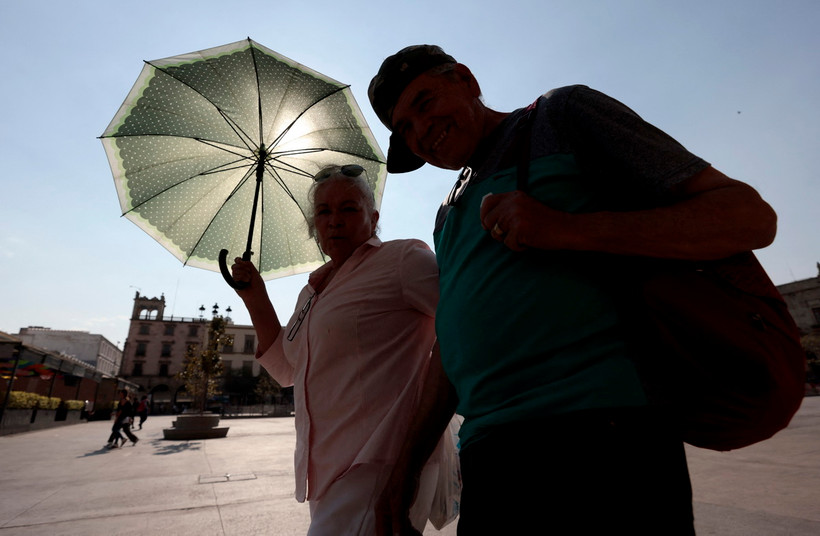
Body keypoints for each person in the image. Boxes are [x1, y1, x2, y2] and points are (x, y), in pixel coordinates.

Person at [368, 45, 778, 535]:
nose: (421, 130)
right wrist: (408, 464)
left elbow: (748, 216)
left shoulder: (561, 117)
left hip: (605, 439)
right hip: (490, 459)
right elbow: (450, 344)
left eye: (425, 102)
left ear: (466, 79)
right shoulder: (447, 214)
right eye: (405, 128)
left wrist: (565, 228)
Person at [230, 164, 451, 535]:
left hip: (379, 462)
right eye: (323, 212)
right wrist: (255, 297)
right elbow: (287, 370)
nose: (334, 220)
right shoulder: (312, 291)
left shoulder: (402, 260)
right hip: (326, 471)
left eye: (348, 208)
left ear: (373, 218)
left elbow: (463, 319)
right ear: (314, 226)